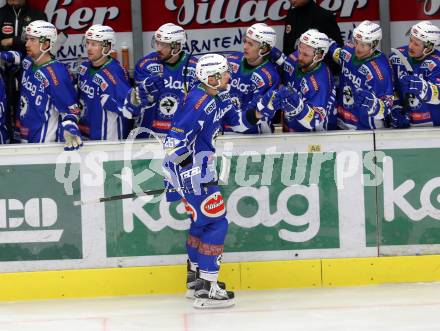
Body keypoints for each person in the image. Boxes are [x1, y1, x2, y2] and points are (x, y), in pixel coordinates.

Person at [162, 53, 276, 309]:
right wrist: (188, 173)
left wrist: (260, 111)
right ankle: (208, 289)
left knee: (201, 224)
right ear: (212, 78)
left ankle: (196, 282)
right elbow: (172, 145)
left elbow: (238, 123)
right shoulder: (197, 103)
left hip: (200, 172)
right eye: (224, 73)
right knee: (217, 223)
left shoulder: (217, 97)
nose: (229, 76)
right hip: (194, 175)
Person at [10, 20, 82, 149]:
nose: (27, 44)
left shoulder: (57, 73)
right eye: (27, 39)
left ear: (46, 43)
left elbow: (71, 108)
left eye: (32, 40)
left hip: (43, 145)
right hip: (23, 138)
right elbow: (19, 58)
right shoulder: (28, 62)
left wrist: (70, 127)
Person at [77, 24, 143, 140]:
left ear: (107, 47)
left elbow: (132, 109)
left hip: (108, 140)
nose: (89, 48)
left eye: (94, 44)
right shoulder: (84, 68)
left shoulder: (114, 73)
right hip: (86, 135)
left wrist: (132, 102)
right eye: (87, 43)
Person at [133, 23, 197, 138]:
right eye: (157, 43)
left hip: (181, 135)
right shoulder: (145, 64)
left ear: (177, 46)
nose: (158, 48)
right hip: (149, 134)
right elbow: (139, 100)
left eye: (163, 45)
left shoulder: (195, 67)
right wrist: (146, 88)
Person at [328, 20, 393, 130]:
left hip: (367, 129)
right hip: (342, 122)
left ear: (374, 44)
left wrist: (374, 105)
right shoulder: (349, 51)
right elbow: (336, 53)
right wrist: (325, 41)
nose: (358, 48)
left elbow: (386, 106)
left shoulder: (380, 70)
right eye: (356, 42)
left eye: (363, 45)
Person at [0, 0, 47, 141]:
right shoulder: (1, 14)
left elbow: (45, 42)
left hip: (30, 71)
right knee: (4, 112)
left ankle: (26, 144)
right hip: (3, 72)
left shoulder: (38, 15)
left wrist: (12, 41)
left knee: (28, 110)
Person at [224, 23, 280, 134]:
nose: (245, 46)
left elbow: (255, 111)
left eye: (250, 44)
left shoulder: (269, 76)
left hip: (254, 135)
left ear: (264, 49)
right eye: (245, 41)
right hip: (226, 129)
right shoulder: (232, 60)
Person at [278, 29, 337, 132]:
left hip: (314, 138)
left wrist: (296, 105)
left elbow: (313, 120)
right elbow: (286, 64)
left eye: (305, 55)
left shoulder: (320, 82)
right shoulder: (299, 57)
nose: (299, 57)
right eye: (299, 51)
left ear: (318, 56)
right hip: (289, 131)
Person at [389, 20, 440, 128]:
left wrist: (423, 87)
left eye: (416, 44)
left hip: (434, 128)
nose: (410, 46)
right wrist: (394, 108)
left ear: (429, 47)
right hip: (404, 126)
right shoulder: (396, 57)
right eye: (410, 40)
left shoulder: (438, 62)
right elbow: (389, 88)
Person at [283, 0, 343, 75]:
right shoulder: (291, 14)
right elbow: (287, 46)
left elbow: (336, 53)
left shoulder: (324, 16)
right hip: (293, 73)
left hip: (317, 76)